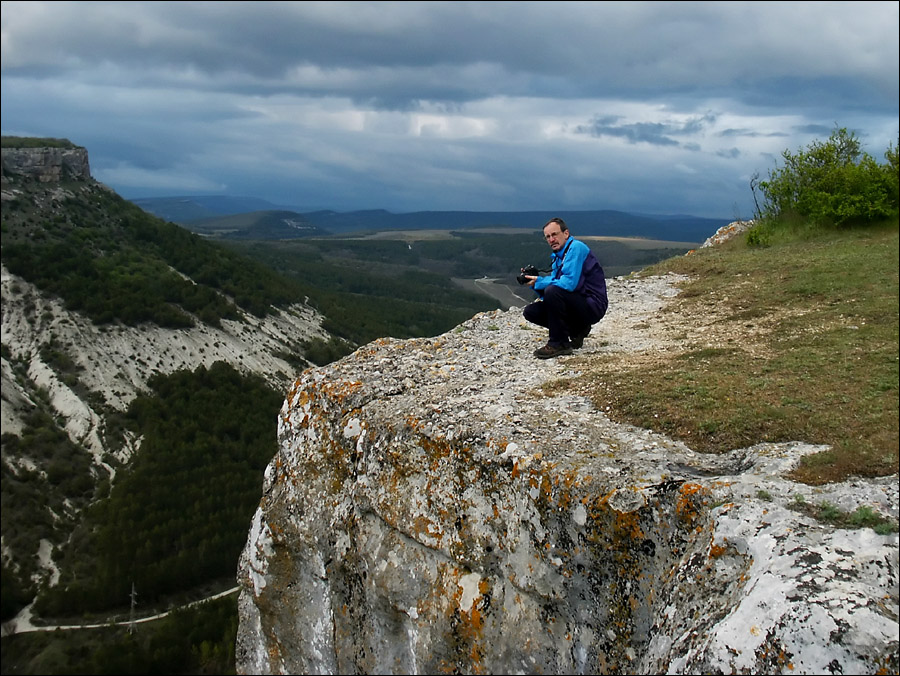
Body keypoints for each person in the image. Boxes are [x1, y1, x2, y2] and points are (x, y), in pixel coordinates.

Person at [521, 217, 608, 359]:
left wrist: (541, 282)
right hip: (577, 302)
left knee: (553, 291)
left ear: (566, 233)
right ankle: (577, 329)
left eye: (554, 234)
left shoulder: (576, 248)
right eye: (547, 237)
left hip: (593, 304)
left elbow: (568, 284)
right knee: (531, 311)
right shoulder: (558, 256)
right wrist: (534, 284)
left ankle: (558, 343)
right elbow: (553, 293)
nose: (551, 239)